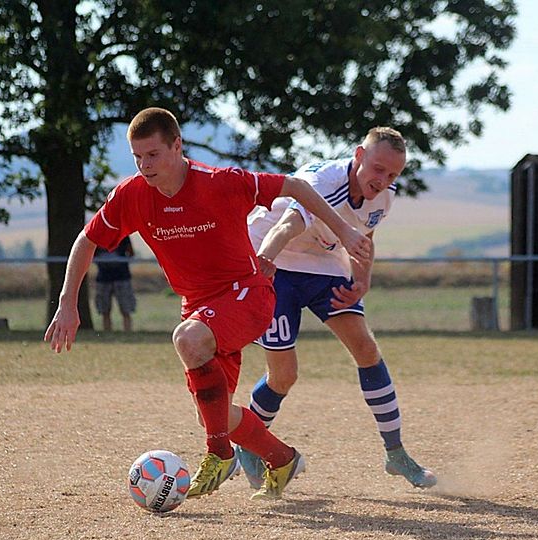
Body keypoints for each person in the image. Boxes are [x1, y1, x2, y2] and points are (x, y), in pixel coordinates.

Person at [44, 107, 372, 501]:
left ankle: (219, 454)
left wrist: (345, 229)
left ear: (177, 146)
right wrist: (67, 303)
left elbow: (295, 187)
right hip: (199, 308)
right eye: (137, 157)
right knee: (215, 414)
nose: (144, 166)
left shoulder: (221, 183)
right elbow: (87, 239)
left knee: (188, 340)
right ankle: (282, 458)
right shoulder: (131, 195)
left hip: (247, 294)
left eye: (153, 155)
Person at [235, 127, 437, 491]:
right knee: (284, 375)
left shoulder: (384, 196)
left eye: (392, 174)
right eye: (377, 169)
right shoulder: (323, 181)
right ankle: (249, 444)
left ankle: (396, 454)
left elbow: (366, 235)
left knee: (366, 348)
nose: (383, 180)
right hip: (274, 257)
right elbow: (286, 225)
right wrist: (263, 261)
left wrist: (362, 280)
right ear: (358, 155)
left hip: (322, 262)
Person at [95, 236, 136, 332]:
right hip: (104, 277)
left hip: (122, 277)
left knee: (126, 309)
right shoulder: (97, 234)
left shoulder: (124, 235)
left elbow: (131, 252)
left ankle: (128, 332)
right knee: (104, 310)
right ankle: (107, 332)